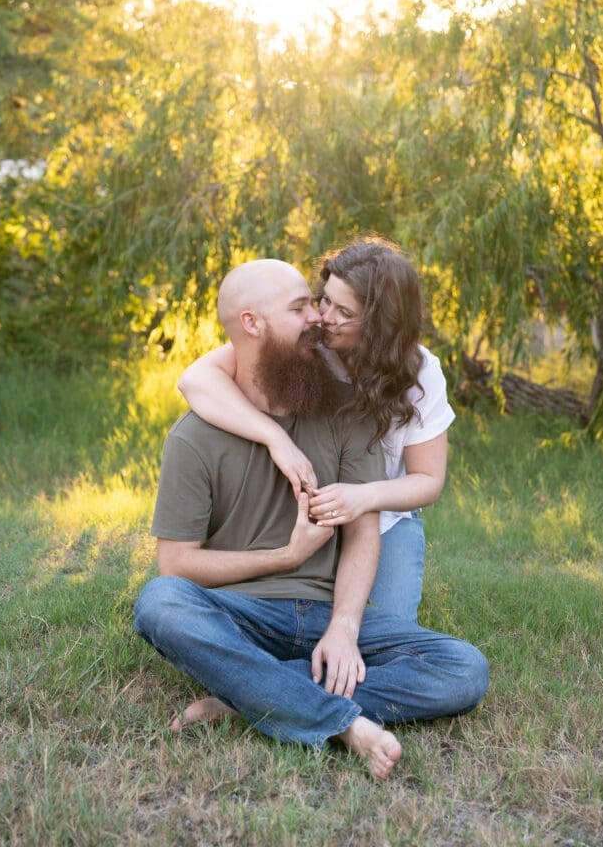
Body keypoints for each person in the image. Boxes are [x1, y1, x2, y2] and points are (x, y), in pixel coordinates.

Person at [134, 259, 489, 780]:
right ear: (254, 324)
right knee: (159, 602)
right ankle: (339, 720)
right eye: (305, 305)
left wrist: (344, 628)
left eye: (327, 309)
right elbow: (176, 567)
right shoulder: (194, 436)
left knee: (464, 670)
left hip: (330, 605)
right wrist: (287, 555)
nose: (318, 320)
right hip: (245, 614)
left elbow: (372, 522)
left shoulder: (355, 406)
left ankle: (249, 695)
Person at [177, 238, 454, 622]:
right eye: (325, 299)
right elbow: (196, 379)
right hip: (310, 514)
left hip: (380, 517)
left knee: (385, 631)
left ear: (379, 323)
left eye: (344, 312)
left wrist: (363, 497)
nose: (324, 317)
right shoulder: (309, 344)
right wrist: (276, 439)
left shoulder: (419, 372)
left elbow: (428, 480)